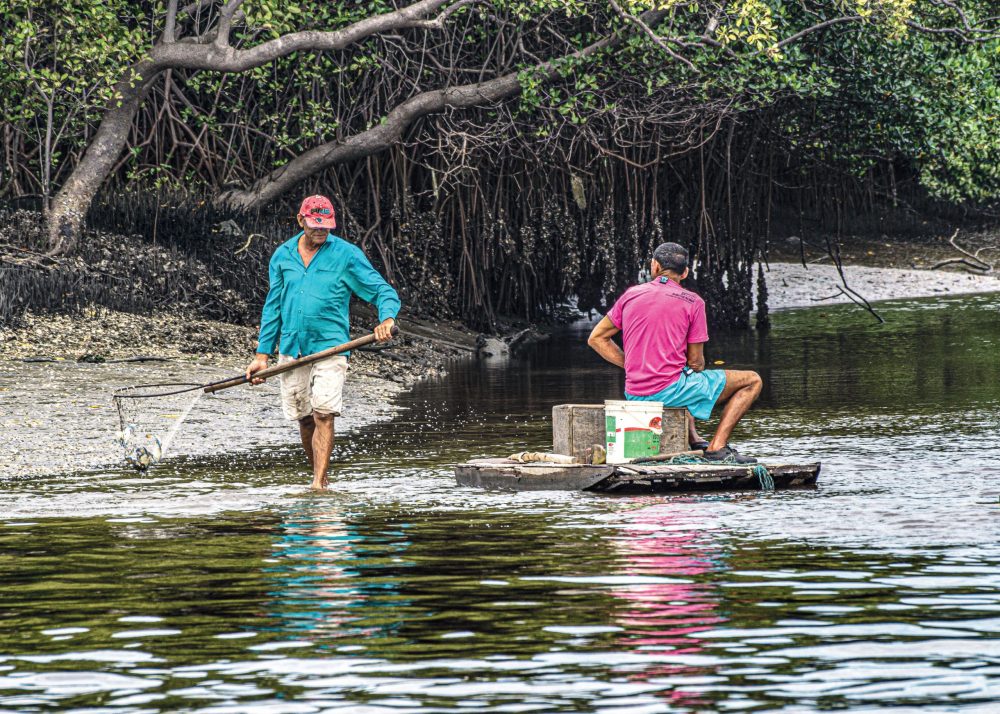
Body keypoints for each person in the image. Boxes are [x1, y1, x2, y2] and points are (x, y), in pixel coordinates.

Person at [246, 195, 400, 489]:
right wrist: (262, 356)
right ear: (300, 220)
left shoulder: (346, 255)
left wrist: (387, 319)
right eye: (315, 226)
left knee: (323, 413)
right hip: (293, 347)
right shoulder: (282, 256)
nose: (321, 232)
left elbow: (381, 291)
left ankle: (317, 484)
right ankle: (322, 476)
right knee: (304, 417)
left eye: (326, 226)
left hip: (331, 346)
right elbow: (273, 306)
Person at [587, 242, 762, 463]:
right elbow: (696, 361)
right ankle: (717, 447)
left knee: (682, 373)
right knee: (752, 380)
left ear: (654, 266)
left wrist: (634, 364)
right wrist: (686, 366)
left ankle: (695, 438)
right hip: (669, 391)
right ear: (685, 272)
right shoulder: (693, 302)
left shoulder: (630, 295)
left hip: (634, 392)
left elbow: (596, 338)